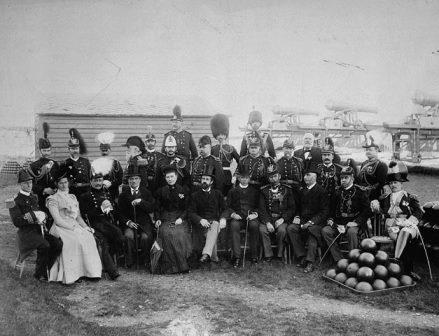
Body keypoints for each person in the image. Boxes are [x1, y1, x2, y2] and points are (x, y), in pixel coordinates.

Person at [46, 173, 102, 284]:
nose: (63, 185)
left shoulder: (73, 197)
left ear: (68, 183)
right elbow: (57, 220)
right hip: (61, 226)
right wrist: (72, 228)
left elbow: (78, 217)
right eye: (61, 183)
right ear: (57, 185)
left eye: (65, 182)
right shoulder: (52, 199)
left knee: (88, 237)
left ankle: (89, 272)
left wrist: (86, 227)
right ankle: (73, 275)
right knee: (73, 241)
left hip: (75, 225)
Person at [8, 169, 63, 281]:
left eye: (30, 182)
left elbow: (41, 214)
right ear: (20, 184)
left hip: (39, 230)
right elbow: (17, 222)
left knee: (57, 244)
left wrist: (43, 216)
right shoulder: (14, 200)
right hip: (26, 233)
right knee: (45, 245)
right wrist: (34, 216)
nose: (29, 185)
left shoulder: (34, 197)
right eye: (25, 183)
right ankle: (39, 274)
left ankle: (47, 269)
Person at [371, 161, 423, 275]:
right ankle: (401, 268)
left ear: (401, 183)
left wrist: (409, 221)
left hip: (406, 226)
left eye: (395, 182)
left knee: (407, 236)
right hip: (390, 228)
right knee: (403, 237)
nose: (393, 185)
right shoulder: (385, 198)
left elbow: (419, 211)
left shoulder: (409, 198)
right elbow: (377, 209)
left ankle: (405, 269)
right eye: (391, 183)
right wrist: (375, 202)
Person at [79, 171, 125, 280]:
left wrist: (111, 209)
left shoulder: (107, 193)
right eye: (95, 181)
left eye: (100, 180)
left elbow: (113, 209)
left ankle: (110, 261)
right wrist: (100, 209)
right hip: (94, 223)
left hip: (107, 222)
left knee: (119, 236)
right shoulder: (85, 196)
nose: (98, 183)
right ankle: (112, 272)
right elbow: (85, 214)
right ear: (91, 182)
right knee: (104, 242)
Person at [321, 166, 370, 262]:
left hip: (354, 223)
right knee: (326, 230)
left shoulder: (360, 192)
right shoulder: (337, 192)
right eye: (341, 178)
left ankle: (354, 259)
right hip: (339, 223)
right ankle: (339, 259)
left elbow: (367, 210)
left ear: (352, 178)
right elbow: (331, 208)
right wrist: (331, 219)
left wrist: (356, 222)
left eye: (346, 178)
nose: (343, 180)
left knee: (351, 232)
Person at [287, 168, 329, 273]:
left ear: (315, 177)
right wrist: (297, 216)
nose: (306, 177)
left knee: (312, 231)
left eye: (308, 175)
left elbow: (324, 212)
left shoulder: (322, 191)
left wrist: (311, 222)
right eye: (305, 175)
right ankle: (302, 256)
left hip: (317, 222)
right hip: (303, 220)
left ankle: (310, 262)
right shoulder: (302, 190)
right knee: (291, 228)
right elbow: (297, 207)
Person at [154, 166, 192, 274]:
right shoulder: (161, 191)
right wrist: (158, 219)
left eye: (172, 176)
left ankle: (182, 266)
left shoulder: (183, 190)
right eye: (167, 177)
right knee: (165, 233)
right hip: (165, 218)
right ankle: (170, 268)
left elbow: (187, 208)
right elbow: (157, 208)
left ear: (176, 177)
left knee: (179, 233)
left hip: (180, 218)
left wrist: (181, 218)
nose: (170, 179)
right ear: (165, 178)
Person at [118, 165, 155, 269]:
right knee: (128, 236)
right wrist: (128, 222)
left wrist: (141, 202)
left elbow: (151, 207)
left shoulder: (146, 192)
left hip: (144, 223)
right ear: (128, 181)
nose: (133, 181)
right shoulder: (123, 195)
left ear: (140, 180)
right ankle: (130, 261)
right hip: (130, 223)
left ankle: (145, 260)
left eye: (136, 179)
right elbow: (119, 213)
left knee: (145, 237)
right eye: (131, 179)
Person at [188, 168, 227, 264]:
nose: (204, 181)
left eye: (207, 179)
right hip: (200, 223)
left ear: (211, 182)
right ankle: (213, 257)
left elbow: (225, 209)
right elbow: (190, 212)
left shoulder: (218, 194)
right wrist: (200, 220)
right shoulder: (195, 195)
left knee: (214, 225)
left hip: (214, 221)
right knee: (212, 231)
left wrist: (223, 218)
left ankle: (206, 254)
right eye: (203, 179)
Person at [259, 164, 296, 262]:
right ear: (268, 178)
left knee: (282, 231)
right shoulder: (264, 190)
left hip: (281, 218)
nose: (273, 179)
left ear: (279, 176)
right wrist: (267, 222)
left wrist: (282, 219)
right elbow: (261, 209)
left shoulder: (287, 190)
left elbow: (292, 208)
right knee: (262, 230)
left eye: (275, 176)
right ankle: (268, 255)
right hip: (268, 218)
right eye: (270, 177)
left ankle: (280, 254)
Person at [224, 168, 260, 266]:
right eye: (242, 178)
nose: (244, 180)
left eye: (246, 178)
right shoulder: (233, 191)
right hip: (237, 218)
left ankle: (254, 256)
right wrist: (233, 214)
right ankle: (237, 256)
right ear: (239, 178)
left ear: (249, 178)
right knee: (234, 226)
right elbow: (227, 206)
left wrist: (254, 214)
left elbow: (258, 206)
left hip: (250, 217)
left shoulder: (254, 191)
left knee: (254, 226)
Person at [28, 122, 59, 215]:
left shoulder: (55, 164)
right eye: (44, 150)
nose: (46, 153)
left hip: (54, 196)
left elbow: (58, 179)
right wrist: (44, 190)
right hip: (40, 197)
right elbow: (31, 184)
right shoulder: (33, 166)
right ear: (40, 151)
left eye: (48, 150)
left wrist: (56, 189)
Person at [210, 114, 240, 196]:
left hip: (227, 175)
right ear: (215, 135)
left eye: (222, 134)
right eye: (218, 134)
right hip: (215, 176)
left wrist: (235, 174)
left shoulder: (231, 148)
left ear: (226, 134)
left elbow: (240, 161)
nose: (220, 136)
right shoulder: (212, 149)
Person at [357, 135, 388, 201]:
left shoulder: (381, 165)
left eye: (370, 150)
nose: (368, 151)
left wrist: (368, 189)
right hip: (361, 194)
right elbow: (360, 179)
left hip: (374, 195)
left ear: (376, 151)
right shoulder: (364, 163)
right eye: (367, 150)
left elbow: (381, 183)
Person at [63, 128, 91, 199]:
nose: (75, 151)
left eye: (76, 149)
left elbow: (91, 177)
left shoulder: (86, 162)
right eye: (72, 149)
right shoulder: (65, 163)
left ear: (79, 149)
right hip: (71, 193)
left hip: (86, 192)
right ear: (68, 149)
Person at [96, 132, 123, 202]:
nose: (104, 152)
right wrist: (101, 182)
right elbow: (92, 178)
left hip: (113, 193)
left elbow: (120, 179)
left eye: (106, 150)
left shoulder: (116, 163)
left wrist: (111, 183)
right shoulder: (96, 163)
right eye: (103, 150)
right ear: (100, 150)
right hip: (99, 192)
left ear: (110, 150)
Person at [316, 143, 342, 210]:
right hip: (320, 200)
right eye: (324, 155)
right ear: (322, 157)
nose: (326, 157)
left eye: (328, 155)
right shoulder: (316, 169)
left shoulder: (339, 169)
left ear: (332, 156)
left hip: (335, 200)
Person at [143, 127, 165, 195]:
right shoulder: (141, 156)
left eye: (152, 141)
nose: (150, 143)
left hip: (157, 183)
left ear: (155, 142)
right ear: (146, 143)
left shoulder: (161, 156)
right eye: (148, 141)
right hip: (145, 184)